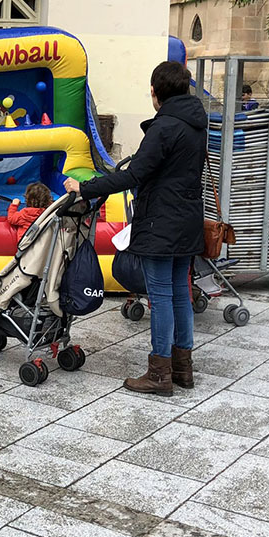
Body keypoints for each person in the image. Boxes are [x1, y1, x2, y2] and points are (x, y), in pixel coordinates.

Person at [64, 61, 207, 396]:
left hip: (161, 220)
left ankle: (159, 373)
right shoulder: (197, 125)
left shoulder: (166, 126)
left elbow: (134, 174)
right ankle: (182, 368)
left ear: (155, 92)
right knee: (180, 292)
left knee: (160, 296)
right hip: (187, 219)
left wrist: (85, 188)